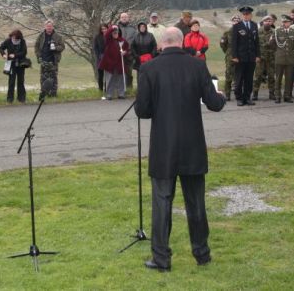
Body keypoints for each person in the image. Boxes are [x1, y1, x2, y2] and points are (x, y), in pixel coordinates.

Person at [135, 27, 226, 271]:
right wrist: (221, 95)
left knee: (162, 203)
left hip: (163, 146)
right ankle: (202, 254)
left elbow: (142, 110)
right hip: (192, 144)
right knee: (196, 203)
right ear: (182, 42)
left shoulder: (149, 68)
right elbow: (214, 104)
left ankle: (161, 258)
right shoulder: (197, 66)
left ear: (161, 44)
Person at [231, 6, 260, 106]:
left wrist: (257, 55)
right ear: (242, 15)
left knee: (249, 79)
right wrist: (234, 56)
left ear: (251, 15)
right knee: (239, 79)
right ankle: (239, 98)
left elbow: (257, 42)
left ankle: (247, 97)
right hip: (240, 57)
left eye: (248, 14)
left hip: (251, 57)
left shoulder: (254, 25)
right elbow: (234, 43)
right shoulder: (237, 26)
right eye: (244, 14)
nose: (246, 16)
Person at [271, 15, 294, 103]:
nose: (285, 23)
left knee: (289, 78)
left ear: (290, 22)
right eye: (283, 22)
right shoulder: (277, 31)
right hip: (279, 58)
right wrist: (278, 52)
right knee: (278, 78)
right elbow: (272, 44)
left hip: (290, 59)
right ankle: (277, 96)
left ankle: (287, 96)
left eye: (286, 22)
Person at [34, 20, 65, 97]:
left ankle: (53, 94)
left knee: (53, 78)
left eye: (50, 26)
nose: (49, 28)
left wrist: (55, 48)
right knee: (43, 78)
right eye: (48, 26)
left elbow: (62, 47)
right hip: (43, 60)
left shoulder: (58, 36)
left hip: (53, 61)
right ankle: (44, 94)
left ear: (53, 27)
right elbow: (36, 47)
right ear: (45, 27)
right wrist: (39, 56)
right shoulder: (41, 36)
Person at [99, 25, 129, 100]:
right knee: (110, 79)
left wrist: (125, 52)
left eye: (116, 33)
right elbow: (107, 34)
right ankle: (109, 94)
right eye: (114, 33)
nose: (115, 34)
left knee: (121, 79)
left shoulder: (123, 41)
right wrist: (112, 28)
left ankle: (121, 94)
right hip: (109, 63)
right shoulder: (108, 40)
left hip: (119, 63)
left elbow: (128, 49)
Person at [0, 29, 28, 103]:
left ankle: (21, 98)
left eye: (15, 37)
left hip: (21, 64)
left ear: (19, 37)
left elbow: (24, 52)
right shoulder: (8, 41)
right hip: (11, 65)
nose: (14, 38)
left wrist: (15, 55)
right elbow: (1, 48)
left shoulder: (22, 41)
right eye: (13, 36)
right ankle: (10, 99)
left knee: (21, 81)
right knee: (11, 82)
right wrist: (4, 54)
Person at [253, 15, 276, 101]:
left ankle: (271, 93)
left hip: (271, 58)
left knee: (271, 76)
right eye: (266, 21)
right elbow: (253, 45)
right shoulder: (257, 32)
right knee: (258, 76)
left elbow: (276, 45)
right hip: (260, 58)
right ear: (263, 22)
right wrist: (255, 56)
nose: (268, 23)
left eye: (270, 21)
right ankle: (255, 93)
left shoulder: (274, 32)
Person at [219, 14, 240, 101]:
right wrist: (228, 52)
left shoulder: (242, 32)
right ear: (232, 22)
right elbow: (222, 44)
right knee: (229, 75)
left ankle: (238, 94)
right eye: (234, 21)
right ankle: (227, 94)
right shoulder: (227, 33)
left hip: (240, 56)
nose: (236, 22)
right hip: (230, 56)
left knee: (239, 76)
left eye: (237, 21)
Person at [117, 12, 137, 88]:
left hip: (129, 55)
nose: (124, 18)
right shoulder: (116, 28)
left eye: (125, 17)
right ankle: (120, 89)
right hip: (118, 55)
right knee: (119, 72)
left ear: (128, 18)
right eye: (122, 17)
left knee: (129, 72)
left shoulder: (133, 29)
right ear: (120, 18)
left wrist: (129, 51)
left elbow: (135, 42)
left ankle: (129, 88)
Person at [93, 24, 108, 91]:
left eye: (105, 28)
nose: (104, 30)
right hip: (100, 58)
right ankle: (100, 89)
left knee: (108, 75)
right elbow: (95, 48)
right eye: (102, 29)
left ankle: (107, 88)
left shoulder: (110, 36)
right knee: (100, 75)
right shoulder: (97, 37)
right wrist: (98, 55)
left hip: (108, 58)